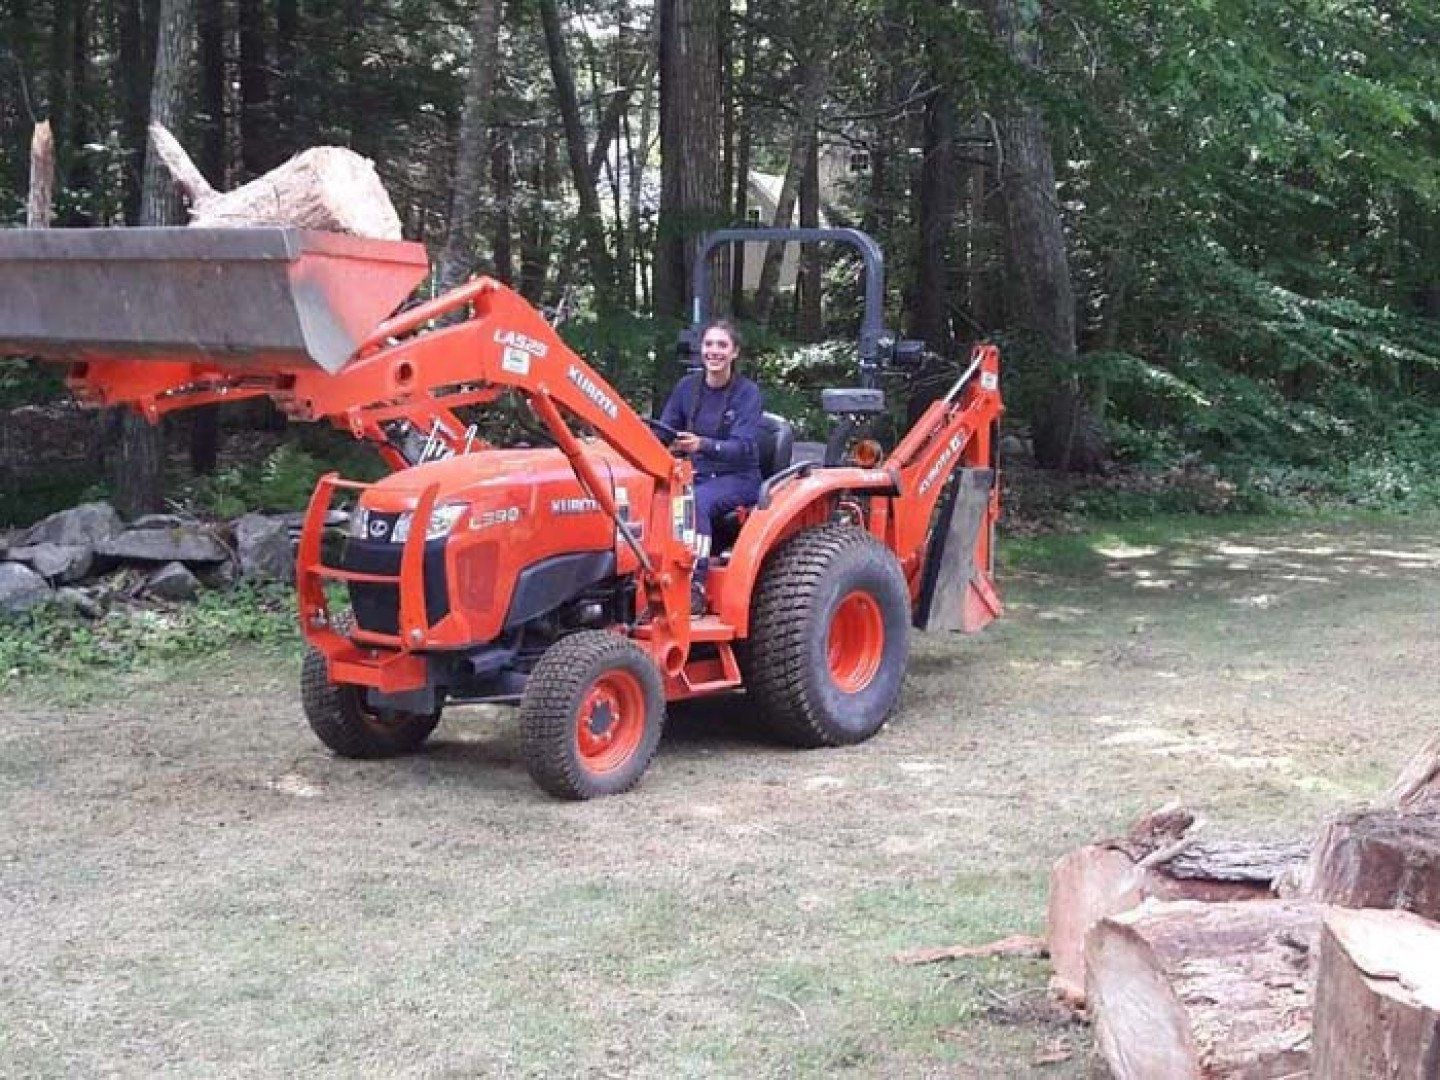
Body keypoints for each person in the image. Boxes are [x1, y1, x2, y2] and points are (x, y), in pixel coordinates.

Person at [658, 319, 764, 614]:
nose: (714, 351)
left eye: (722, 345)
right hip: (696, 473)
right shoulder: (687, 388)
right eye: (708, 344)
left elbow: (742, 446)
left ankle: (695, 584)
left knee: (695, 502)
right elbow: (662, 431)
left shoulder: (747, 394)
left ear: (734, 352)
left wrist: (701, 445)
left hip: (738, 477)